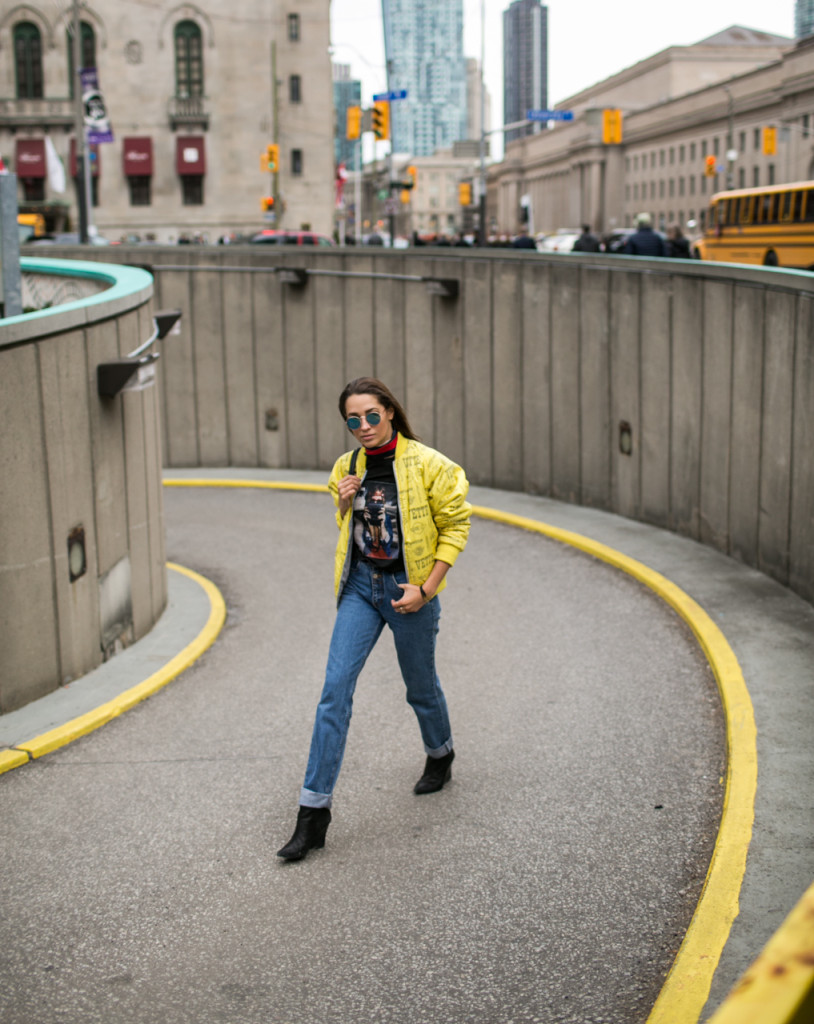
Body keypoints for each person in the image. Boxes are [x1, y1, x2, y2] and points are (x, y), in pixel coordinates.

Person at [277, 377, 472, 862]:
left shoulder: (430, 465)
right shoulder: (346, 467)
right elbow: (351, 527)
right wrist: (343, 502)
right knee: (334, 692)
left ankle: (440, 753)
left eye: (370, 415)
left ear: (389, 412)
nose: (362, 426)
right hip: (362, 589)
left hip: (410, 589)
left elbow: (456, 525)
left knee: (420, 687)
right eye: (352, 419)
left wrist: (426, 589)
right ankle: (312, 814)